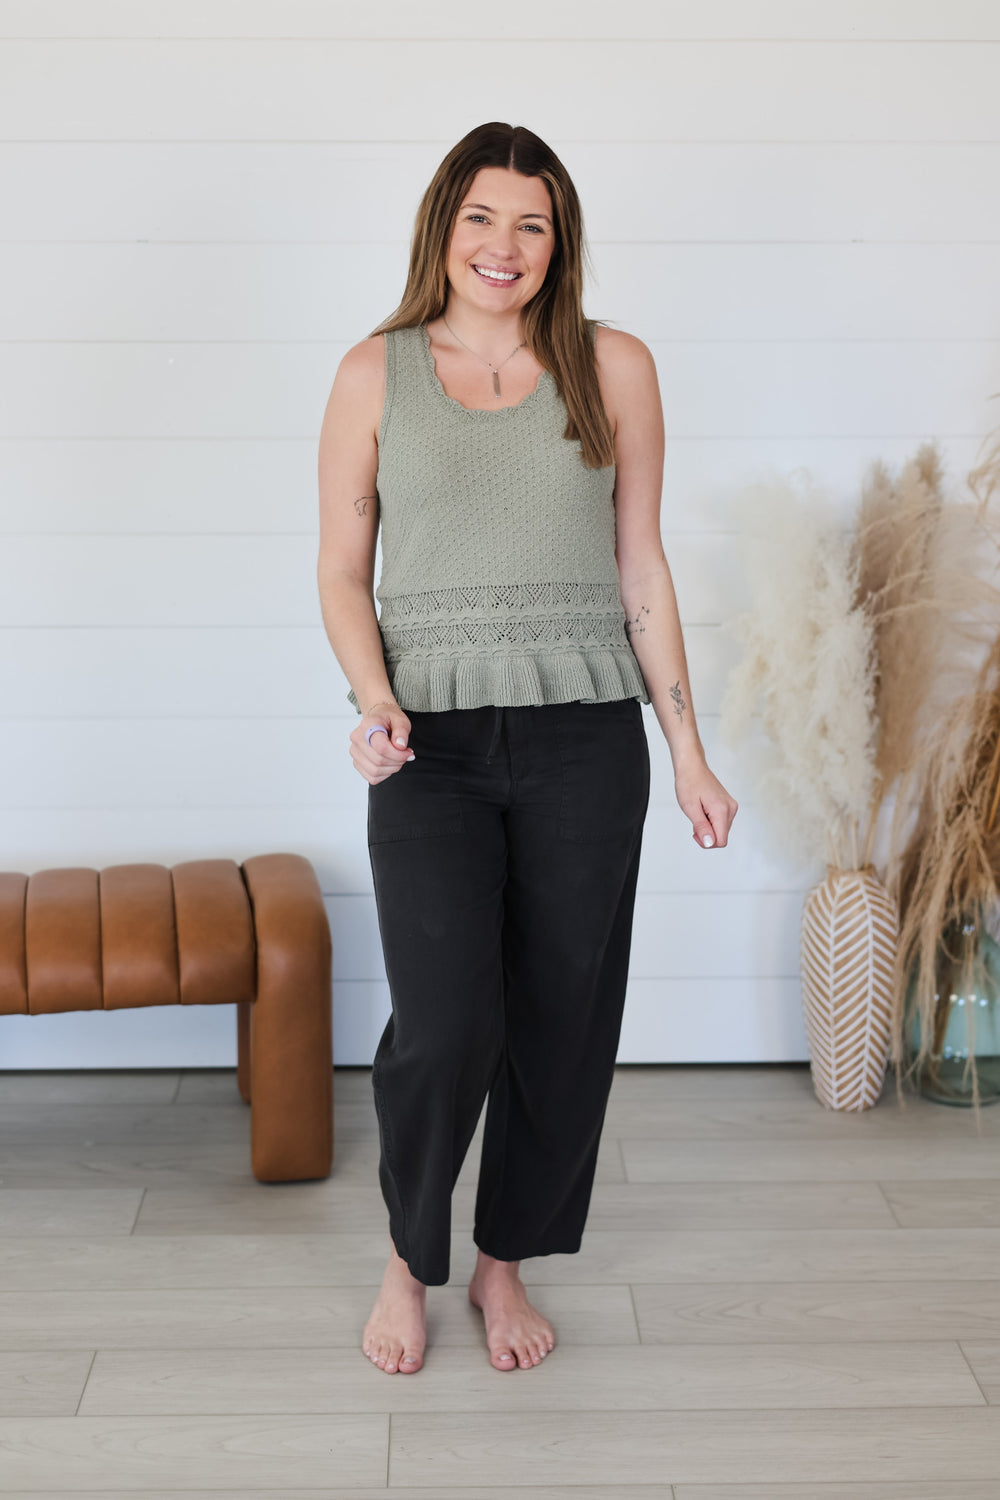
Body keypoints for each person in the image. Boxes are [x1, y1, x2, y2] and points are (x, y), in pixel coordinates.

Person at [316, 121, 738, 1377]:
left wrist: (689, 751)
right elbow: (341, 572)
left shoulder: (614, 366)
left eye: (532, 224)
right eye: (482, 218)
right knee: (444, 1025)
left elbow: (639, 566)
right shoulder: (374, 373)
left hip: (585, 739)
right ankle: (410, 1259)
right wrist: (374, 700)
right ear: (443, 227)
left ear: (560, 242)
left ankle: (502, 1262)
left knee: (562, 1018)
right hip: (429, 748)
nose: (503, 246)